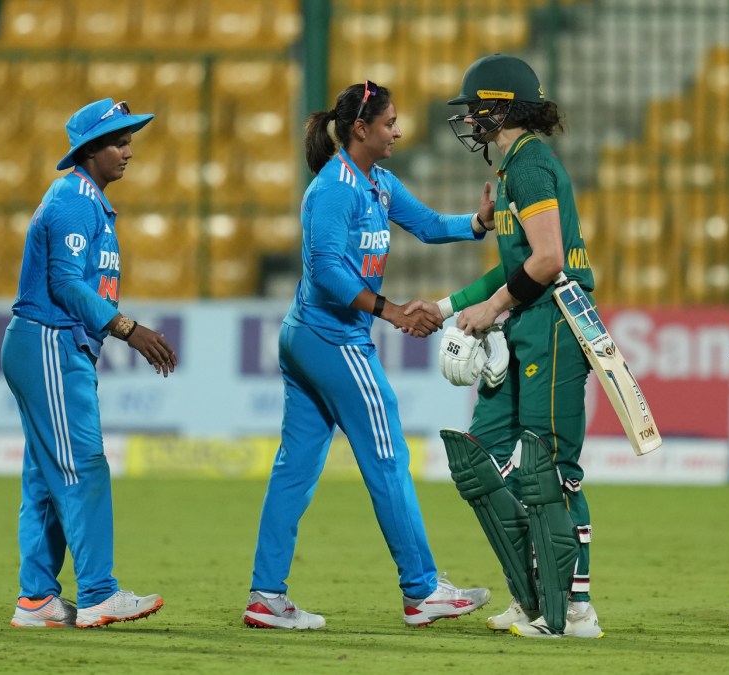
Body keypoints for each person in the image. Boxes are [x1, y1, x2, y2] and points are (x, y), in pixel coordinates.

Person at [242, 80, 495, 630]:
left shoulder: (376, 182)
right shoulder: (335, 190)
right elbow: (327, 271)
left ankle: (266, 596)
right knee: (388, 458)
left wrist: (477, 223)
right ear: (361, 129)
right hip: (333, 338)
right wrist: (391, 311)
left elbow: (427, 225)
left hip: (307, 336)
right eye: (389, 123)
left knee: (295, 468)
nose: (398, 132)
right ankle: (422, 590)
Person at [431, 53, 604, 638]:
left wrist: (492, 308)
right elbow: (514, 266)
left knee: (549, 468)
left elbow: (549, 260)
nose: (468, 119)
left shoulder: (529, 166)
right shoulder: (513, 171)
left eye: (475, 108)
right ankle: (529, 595)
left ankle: (574, 608)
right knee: (483, 456)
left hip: (555, 322)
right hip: (527, 324)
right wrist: (447, 307)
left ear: (499, 109)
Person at [2, 98, 178, 629]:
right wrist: (127, 328)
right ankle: (100, 593)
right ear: (89, 150)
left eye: (129, 142)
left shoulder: (85, 200)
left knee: (47, 477)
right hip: (49, 342)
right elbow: (64, 283)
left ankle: (37, 599)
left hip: (47, 344)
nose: (128, 151)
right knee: (85, 466)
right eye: (118, 142)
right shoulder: (75, 199)